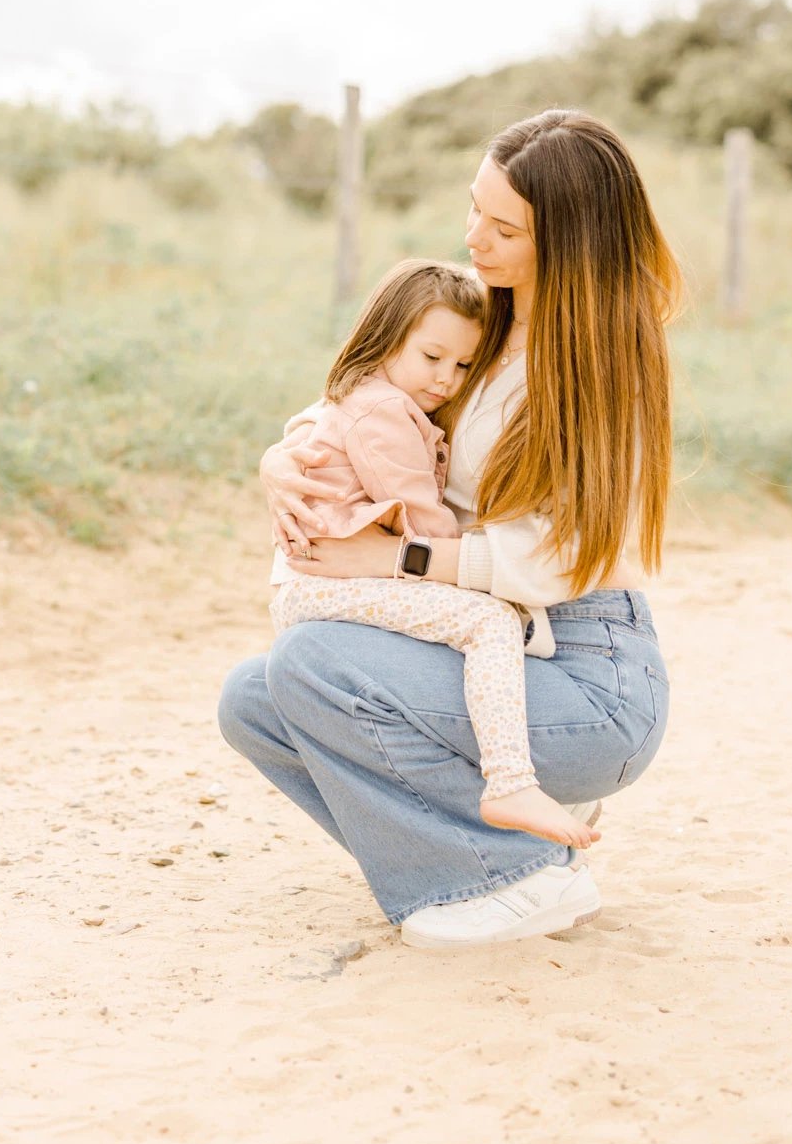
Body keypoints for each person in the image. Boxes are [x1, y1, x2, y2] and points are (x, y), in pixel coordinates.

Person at [219, 108, 678, 950]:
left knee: (314, 662)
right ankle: (509, 858)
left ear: (569, 245)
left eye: (504, 227)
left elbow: (554, 561)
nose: (474, 236)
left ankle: (501, 875)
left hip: (581, 669)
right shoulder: (483, 325)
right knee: (254, 699)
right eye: (474, 207)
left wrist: (393, 555)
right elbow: (366, 407)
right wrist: (278, 460)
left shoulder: (598, 365)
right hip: (487, 646)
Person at [268, 257, 598, 851]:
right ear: (387, 337)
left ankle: (515, 792)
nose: (447, 378)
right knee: (488, 619)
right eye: (432, 357)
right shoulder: (385, 412)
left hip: (319, 581)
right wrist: (468, 566)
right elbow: (419, 512)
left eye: (464, 364)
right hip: (324, 581)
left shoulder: (376, 400)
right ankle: (511, 781)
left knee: (469, 628)